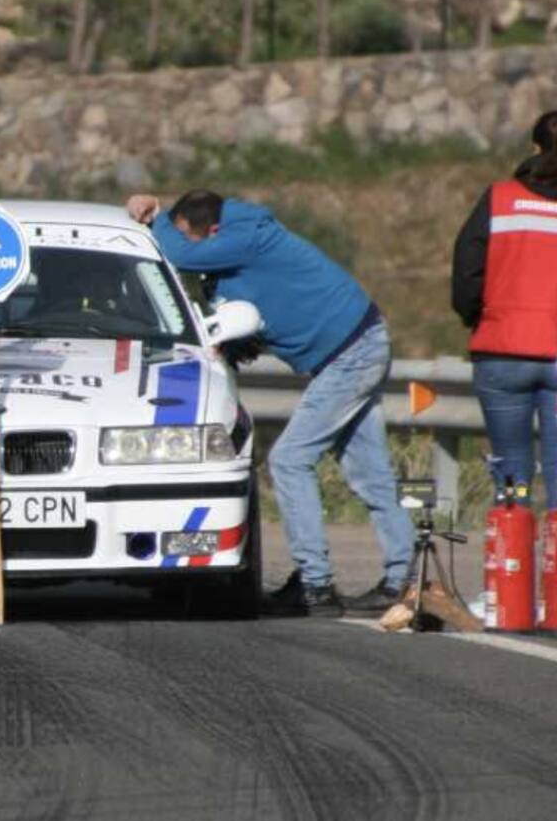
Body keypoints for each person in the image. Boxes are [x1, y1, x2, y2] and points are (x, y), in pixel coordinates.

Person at [126, 189, 415, 617]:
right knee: (369, 472)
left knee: (288, 460)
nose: (191, 249)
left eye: (193, 238)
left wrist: (156, 218)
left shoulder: (247, 237)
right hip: (352, 347)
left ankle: (316, 586)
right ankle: (404, 579)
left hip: (352, 353)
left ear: (214, 231)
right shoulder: (229, 255)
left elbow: (176, 254)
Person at [452, 111, 557, 508]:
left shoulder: (500, 198)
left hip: (501, 348)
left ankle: (510, 565)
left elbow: (467, 270)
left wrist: (475, 316)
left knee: (512, 474)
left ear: (534, 149)